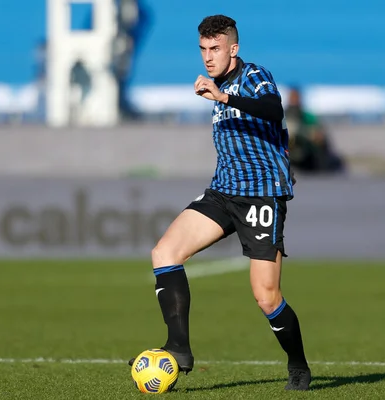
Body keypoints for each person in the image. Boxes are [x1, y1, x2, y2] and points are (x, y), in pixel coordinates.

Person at [129, 15, 311, 391]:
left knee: (266, 296)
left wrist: (224, 96)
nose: (208, 57)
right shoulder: (216, 84)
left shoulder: (253, 76)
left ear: (234, 48)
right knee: (164, 253)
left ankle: (298, 363)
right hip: (223, 192)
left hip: (261, 195)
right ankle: (179, 348)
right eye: (203, 49)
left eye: (216, 49)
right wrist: (219, 93)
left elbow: (273, 111)